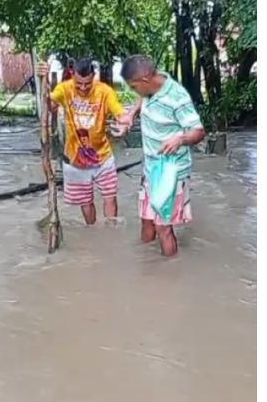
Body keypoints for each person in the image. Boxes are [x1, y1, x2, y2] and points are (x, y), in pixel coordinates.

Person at [116, 55, 205, 257]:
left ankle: (170, 271)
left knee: (163, 227)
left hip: (171, 170)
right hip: (151, 167)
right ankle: (147, 266)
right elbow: (143, 98)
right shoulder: (151, 87)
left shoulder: (177, 97)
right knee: (147, 220)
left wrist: (180, 139)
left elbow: (199, 132)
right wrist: (130, 115)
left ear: (145, 80)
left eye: (134, 87)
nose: (134, 91)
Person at [39, 57, 129, 225]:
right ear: (72, 75)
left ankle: (111, 231)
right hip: (75, 159)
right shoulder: (64, 89)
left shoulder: (104, 91)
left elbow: (119, 112)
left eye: (87, 84)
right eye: (79, 83)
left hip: (102, 156)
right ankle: (92, 231)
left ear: (93, 76)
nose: (82, 88)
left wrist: (124, 123)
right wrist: (44, 81)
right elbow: (50, 106)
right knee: (85, 202)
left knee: (110, 196)